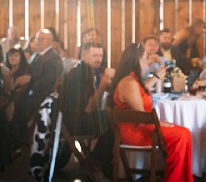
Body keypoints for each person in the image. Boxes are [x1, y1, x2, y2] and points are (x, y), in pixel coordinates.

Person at [109, 43, 193, 182]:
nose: (147, 63)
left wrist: (158, 75)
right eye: (145, 59)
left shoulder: (133, 80)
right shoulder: (129, 83)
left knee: (184, 132)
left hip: (142, 126)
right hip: (135, 131)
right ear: (136, 61)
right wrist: (162, 124)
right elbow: (142, 115)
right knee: (182, 135)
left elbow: (142, 91)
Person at [59, 42, 115, 175]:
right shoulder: (79, 74)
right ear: (83, 55)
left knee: (111, 117)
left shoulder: (90, 71)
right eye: (95, 55)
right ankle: (95, 162)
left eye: (101, 55)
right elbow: (89, 108)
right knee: (115, 124)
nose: (99, 59)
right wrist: (102, 85)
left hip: (76, 119)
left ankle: (99, 163)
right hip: (74, 122)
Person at [26, 29, 63, 122]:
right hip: (32, 93)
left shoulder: (53, 58)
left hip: (42, 97)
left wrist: (29, 90)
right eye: (37, 39)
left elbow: (48, 81)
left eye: (42, 39)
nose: (39, 41)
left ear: (50, 41)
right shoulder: (36, 55)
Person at [5, 47, 32, 151]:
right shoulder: (5, 69)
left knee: (12, 108)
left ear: (21, 57)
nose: (13, 58)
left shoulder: (26, 68)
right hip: (8, 97)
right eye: (10, 55)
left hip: (23, 99)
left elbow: (22, 90)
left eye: (16, 55)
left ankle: (18, 143)